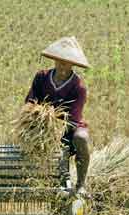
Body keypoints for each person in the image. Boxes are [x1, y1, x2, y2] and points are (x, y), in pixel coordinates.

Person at [25, 36, 90, 195]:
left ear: (73, 64)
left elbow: (73, 118)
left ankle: (81, 184)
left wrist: (53, 126)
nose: (62, 64)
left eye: (67, 61)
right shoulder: (41, 77)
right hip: (40, 124)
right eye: (59, 60)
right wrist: (38, 117)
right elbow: (30, 102)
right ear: (54, 59)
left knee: (81, 138)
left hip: (68, 128)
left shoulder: (78, 86)